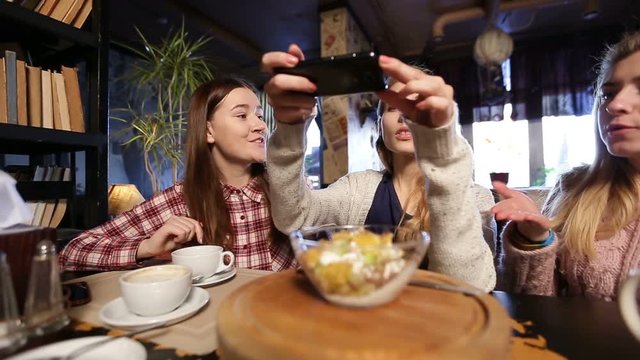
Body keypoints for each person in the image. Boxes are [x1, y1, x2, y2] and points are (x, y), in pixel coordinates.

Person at [262, 44, 497, 292]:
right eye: (393, 108)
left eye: (415, 107)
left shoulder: (476, 196)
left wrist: (444, 150)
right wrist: (290, 132)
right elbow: (294, 218)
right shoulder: (357, 189)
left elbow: (469, 286)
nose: (404, 116)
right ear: (380, 126)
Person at [60, 77, 296, 272]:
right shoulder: (179, 199)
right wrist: (147, 247)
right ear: (208, 131)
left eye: (260, 115)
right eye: (242, 115)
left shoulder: (287, 186)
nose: (261, 126)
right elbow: (74, 251)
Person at [492, 31, 640, 300]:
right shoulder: (573, 187)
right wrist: (534, 240)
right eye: (608, 94)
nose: (617, 104)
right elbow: (538, 308)